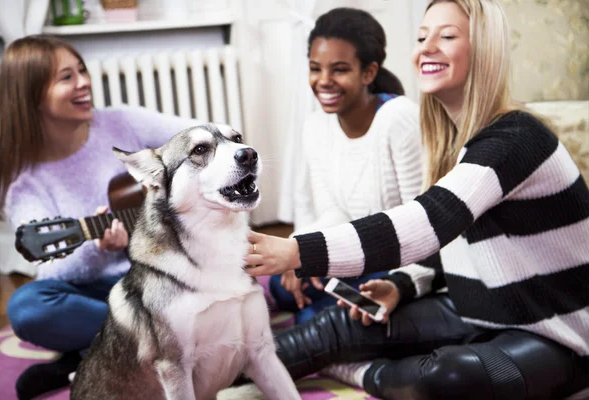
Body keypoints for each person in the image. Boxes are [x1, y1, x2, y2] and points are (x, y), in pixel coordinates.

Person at [244, 1, 589, 398]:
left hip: (559, 337)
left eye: (447, 36)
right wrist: (401, 287)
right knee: (339, 325)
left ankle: (359, 373)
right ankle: (219, 369)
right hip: (478, 310)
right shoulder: (456, 144)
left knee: (449, 376)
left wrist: (296, 251)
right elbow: (451, 245)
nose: (427, 47)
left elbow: (426, 224)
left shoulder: (516, 138)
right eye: (423, 36)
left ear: (485, 50)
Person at [0, 35, 200, 399]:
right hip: (110, 295)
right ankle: (154, 346)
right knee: (27, 308)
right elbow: (50, 271)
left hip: (167, 271)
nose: (84, 82)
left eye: (82, 70)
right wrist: (100, 249)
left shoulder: (120, 122)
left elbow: (203, 137)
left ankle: (92, 357)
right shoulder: (23, 182)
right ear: (31, 94)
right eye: (66, 77)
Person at [270, 7, 422, 323]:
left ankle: (331, 321)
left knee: (318, 308)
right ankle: (329, 321)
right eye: (315, 68)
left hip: (399, 262)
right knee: (284, 282)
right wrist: (302, 252)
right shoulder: (315, 126)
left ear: (368, 72)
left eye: (339, 70)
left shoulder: (399, 117)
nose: (323, 81)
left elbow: (420, 223)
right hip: (354, 254)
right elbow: (334, 213)